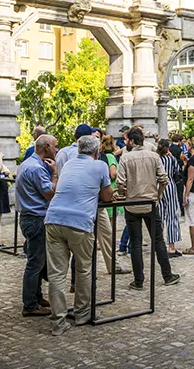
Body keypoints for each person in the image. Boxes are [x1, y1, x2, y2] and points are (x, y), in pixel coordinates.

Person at [44, 135, 115, 336]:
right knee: (83, 268)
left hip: (54, 218)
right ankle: (83, 313)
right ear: (96, 152)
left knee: (57, 274)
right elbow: (107, 195)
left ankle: (58, 322)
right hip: (80, 222)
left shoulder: (66, 165)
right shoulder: (100, 166)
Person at [55, 126, 128, 277]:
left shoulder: (63, 153)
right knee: (85, 239)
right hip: (86, 204)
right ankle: (84, 277)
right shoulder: (82, 156)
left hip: (76, 203)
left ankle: (91, 273)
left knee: (103, 234)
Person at [116, 128, 182, 290]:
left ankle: (139, 281)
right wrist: (158, 195)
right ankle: (167, 275)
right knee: (158, 240)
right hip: (151, 203)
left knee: (136, 243)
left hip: (132, 205)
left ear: (131, 141)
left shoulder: (126, 157)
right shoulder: (154, 156)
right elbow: (164, 179)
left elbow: (120, 183)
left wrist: (125, 194)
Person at [15, 134, 58, 317]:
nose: (57, 150)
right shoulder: (36, 168)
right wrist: (55, 173)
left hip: (29, 218)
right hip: (36, 218)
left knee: (38, 261)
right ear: (47, 147)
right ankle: (30, 304)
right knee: (35, 262)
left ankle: (36, 297)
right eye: (55, 146)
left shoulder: (29, 164)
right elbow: (50, 193)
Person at [156, 138, 183, 257]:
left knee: (160, 216)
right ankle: (171, 246)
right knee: (172, 215)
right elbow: (177, 170)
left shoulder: (155, 159)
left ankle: (159, 244)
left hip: (157, 187)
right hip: (169, 185)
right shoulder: (170, 159)